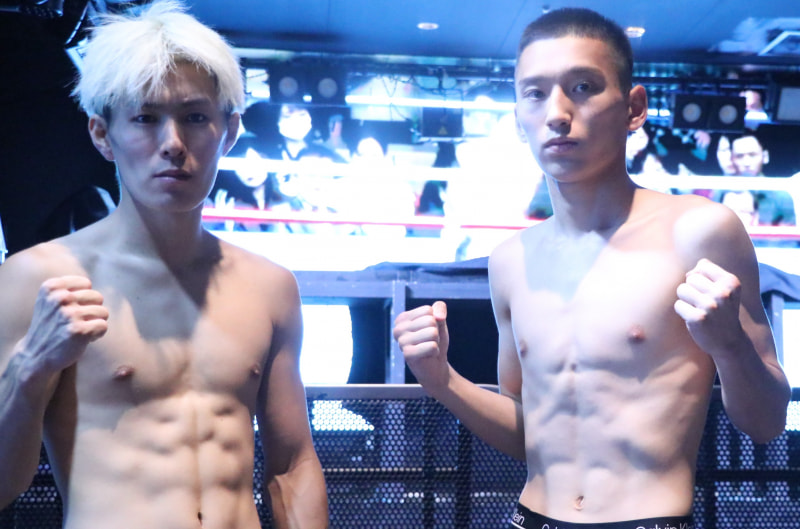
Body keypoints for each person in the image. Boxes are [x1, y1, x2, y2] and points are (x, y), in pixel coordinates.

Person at [392, 7, 790, 529]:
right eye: (535, 93)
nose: (557, 112)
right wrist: (442, 380)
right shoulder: (511, 260)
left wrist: (730, 346)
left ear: (634, 108)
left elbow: (766, 423)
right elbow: (531, 434)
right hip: (532, 517)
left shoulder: (699, 230)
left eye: (582, 87)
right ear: (518, 118)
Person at [0, 2, 329, 529]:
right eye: (145, 118)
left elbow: (292, 466)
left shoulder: (270, 287)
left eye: (195, 117)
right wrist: (30, 367)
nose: (173, 144)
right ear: (102, 135)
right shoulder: (34, 279)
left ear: (229, 132)